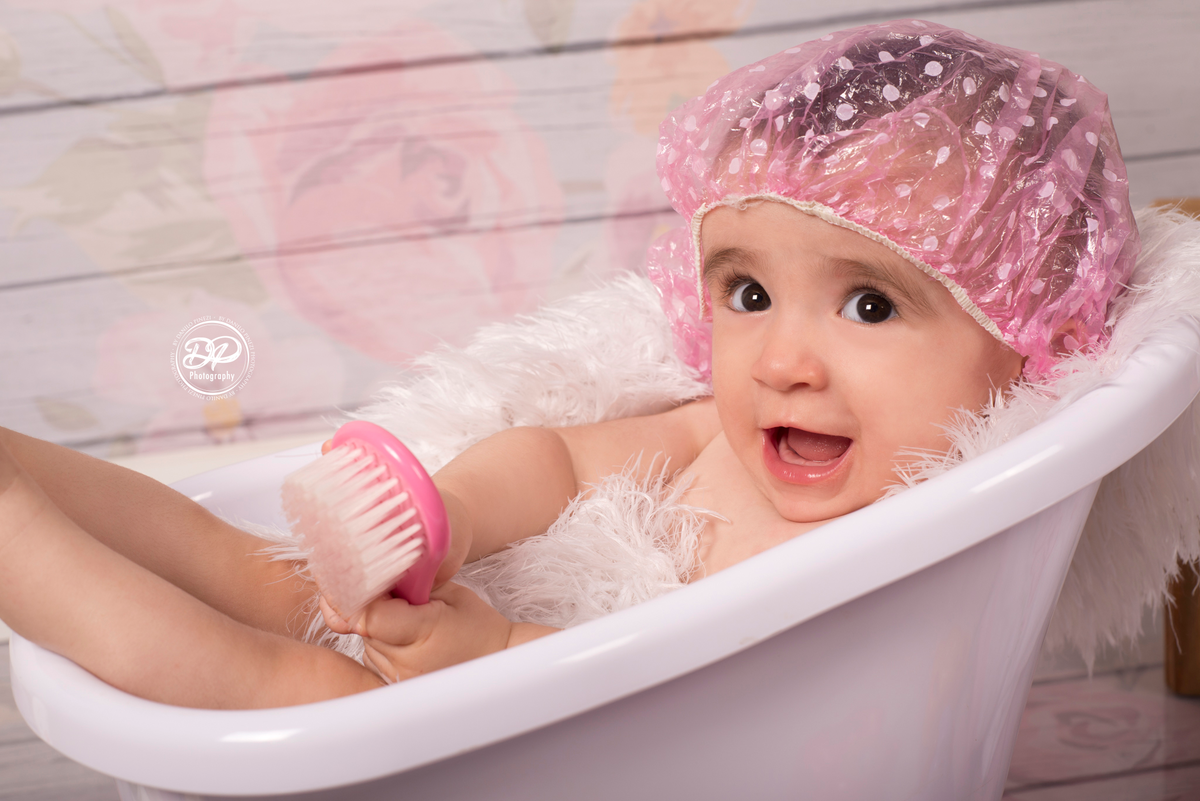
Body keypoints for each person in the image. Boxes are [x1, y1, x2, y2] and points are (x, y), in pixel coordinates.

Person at [0, 19, 1135, 705]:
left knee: (287, 687)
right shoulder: (714, 437)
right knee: (269, 579)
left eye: (872, 304)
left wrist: (497, 652)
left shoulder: (935, 540)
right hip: (473, 658)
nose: (782, 358)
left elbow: (718, 709)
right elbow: (553, 458)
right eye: (746, 292)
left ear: (1028, 328)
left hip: (563, 732)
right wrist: (445, 518)